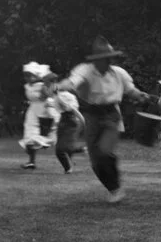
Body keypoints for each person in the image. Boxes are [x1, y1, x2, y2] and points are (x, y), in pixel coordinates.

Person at [56, 35, 150, 203]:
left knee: (105, 151)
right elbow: (71, 82)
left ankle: (115, 182)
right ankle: (114, 189)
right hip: (91, 115)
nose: (107, 61)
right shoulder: (85, 70)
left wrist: (141, 96)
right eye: (104, 59)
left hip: (111, 115)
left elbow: (131, 91)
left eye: (109, 58)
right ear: (96, 60)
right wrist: (59, 86)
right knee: (96, 160)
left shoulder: (119, 73)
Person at [18, 62, 61, 169]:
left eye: (30, 75)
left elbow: (53, 80)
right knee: (29, 136)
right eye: (26, 75)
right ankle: (31, 161)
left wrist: (46, 81)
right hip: (32, 112)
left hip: (45, 111)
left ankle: (69, 149)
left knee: (47, 135)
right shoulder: (27, 86)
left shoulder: (44, 85)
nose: (27, 78)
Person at [54, 89, 87, 174]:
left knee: (60, 150)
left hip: (69, 122)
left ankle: (68, 168)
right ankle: (83, 150)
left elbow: (72, 110)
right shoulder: (67, 97)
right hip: (65, 121)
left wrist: (83, 122)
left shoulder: (64, 97)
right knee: (66, 147)